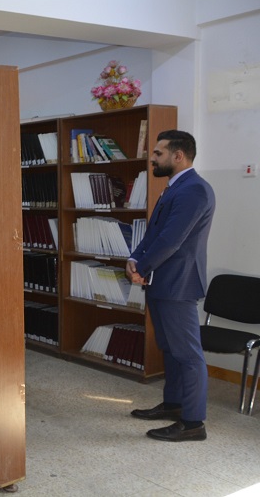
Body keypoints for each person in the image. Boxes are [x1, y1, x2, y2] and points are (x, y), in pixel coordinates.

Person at [126, 130, 215, 442]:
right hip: (159, 281)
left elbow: (172, 241)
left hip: (178, 284)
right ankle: (175, 404)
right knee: (170, 349)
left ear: (179, 156)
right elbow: (153, 234)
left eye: (158, 153)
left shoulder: (195, 190)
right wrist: (134, 259)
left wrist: (142, 268)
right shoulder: (173, 188)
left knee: (188, 355)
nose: (152, 158)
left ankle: (193, 423)